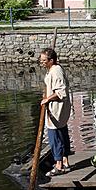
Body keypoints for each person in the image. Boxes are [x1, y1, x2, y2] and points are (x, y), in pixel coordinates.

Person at [39, 48, 73, 177]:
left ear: (51, 60)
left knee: (55, 136)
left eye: (43, 60)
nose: (41, 62)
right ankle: (65, 161)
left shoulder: (56, 71)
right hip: (58, 109)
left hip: (57, 110)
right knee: (62, 132)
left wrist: (48, 99)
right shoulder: (53, 69)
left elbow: (61, 92)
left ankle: (59, 165)